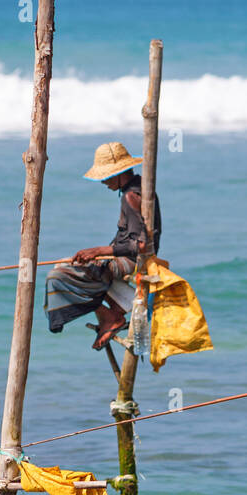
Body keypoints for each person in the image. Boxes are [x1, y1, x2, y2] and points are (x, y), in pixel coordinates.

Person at [44, 141, 162, 349]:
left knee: (59, 275)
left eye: (107, 177)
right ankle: (113, 311)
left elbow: (141, 245)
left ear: (119, 173)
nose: (104, 182)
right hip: (125, 256)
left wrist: (100, 251)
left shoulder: (130, 196)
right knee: (65, 264)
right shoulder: (138, 187)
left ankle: (111, 317)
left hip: (132, 261)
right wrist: (99, 254)